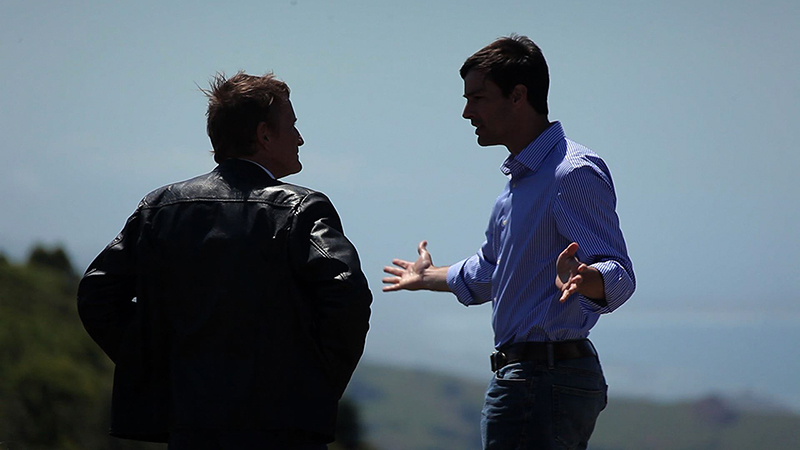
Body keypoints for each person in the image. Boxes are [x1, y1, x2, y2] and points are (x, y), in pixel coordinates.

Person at [78, 72, 372, 450]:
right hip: (280, 430)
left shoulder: (160, 208)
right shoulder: (301, 208)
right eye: (292, 126)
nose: (300, 138)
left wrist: (159, 365)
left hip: (189, 426)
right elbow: (347, 294)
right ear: (264, 135)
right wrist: (312, 385)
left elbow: (98, 295)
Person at [382, 35, 635, 450]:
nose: (467, 112)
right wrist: (427, 277)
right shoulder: (520, 184)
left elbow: (618, 273)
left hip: (541, 381)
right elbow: (491, 272)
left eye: (478, 98)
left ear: (518, 96)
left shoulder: (571, 172)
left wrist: (587, 278)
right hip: (533, 381)